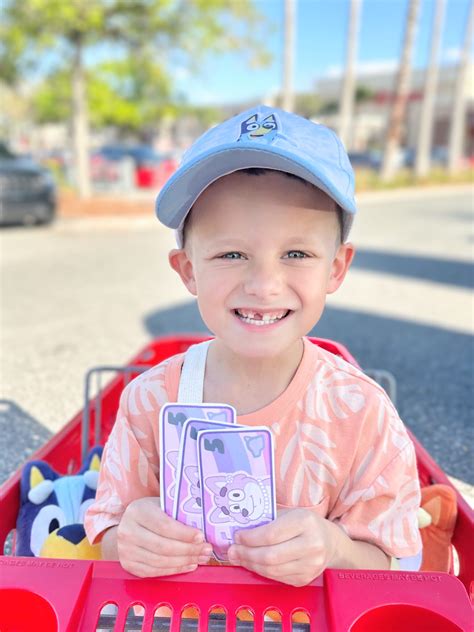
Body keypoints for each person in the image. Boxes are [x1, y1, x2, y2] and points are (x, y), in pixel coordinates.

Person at [85, 105, 421, 586]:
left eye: (297, 253)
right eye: (232, 254)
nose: (264, 284)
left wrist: (335, 547)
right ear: (188, 270)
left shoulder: (362, 410)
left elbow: (397, 560)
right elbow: (107, 532)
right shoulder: (149, 399)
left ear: (335, 269)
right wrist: (128, 537)